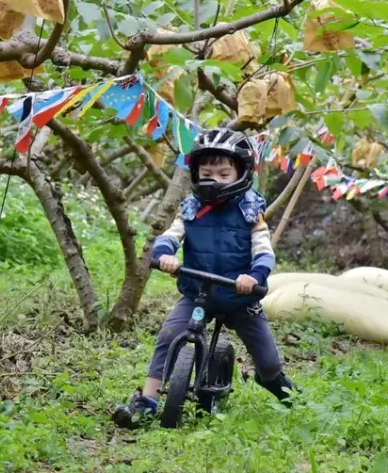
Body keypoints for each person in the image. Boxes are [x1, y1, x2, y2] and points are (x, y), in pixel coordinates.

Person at [112, 128, 296, 429]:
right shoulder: (192, 208)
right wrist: (166, 254)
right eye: (207, 173)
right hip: (199, 292)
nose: (214, 180)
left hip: (241, 296)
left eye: (223, 174)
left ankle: (281, 387)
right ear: (196, 174)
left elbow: (264, 251)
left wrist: (254, 276)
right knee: (170, 336)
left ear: (241, 173)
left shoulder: (250, 211)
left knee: (268, 361)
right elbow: (170, 236)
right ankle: (147, 401)